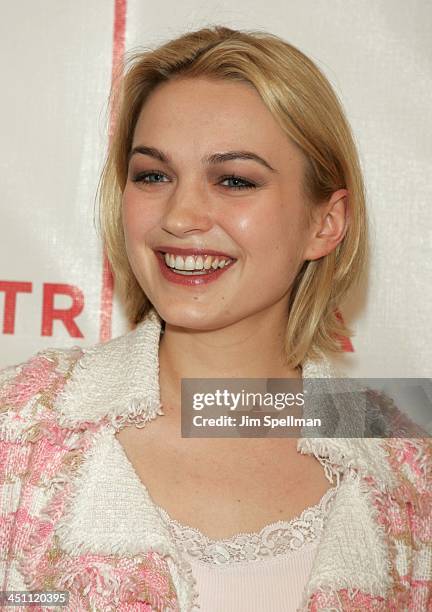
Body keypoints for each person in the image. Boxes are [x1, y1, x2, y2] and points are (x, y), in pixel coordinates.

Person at [0, 26, 430, 612]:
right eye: (154, 175)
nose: (181, 216)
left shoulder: (407, 460)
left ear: (325, 222)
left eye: (234, 180)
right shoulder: (20, 426)